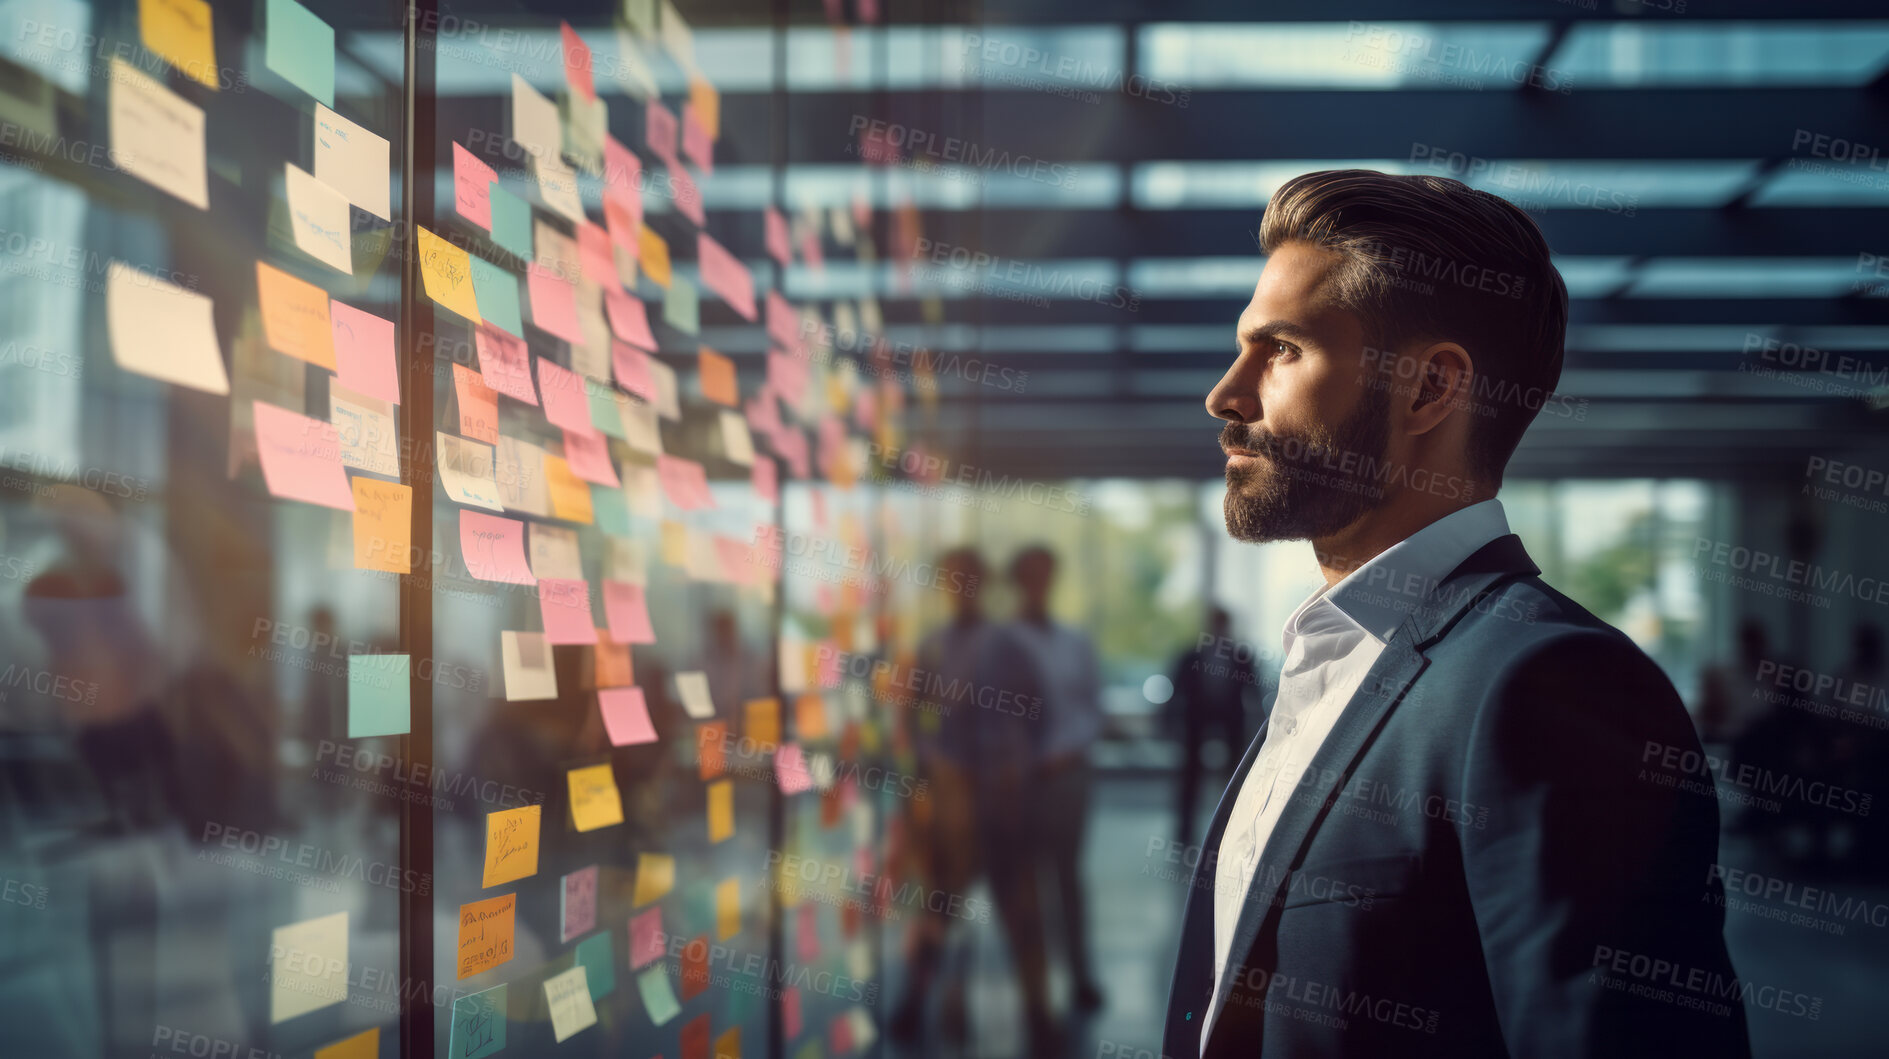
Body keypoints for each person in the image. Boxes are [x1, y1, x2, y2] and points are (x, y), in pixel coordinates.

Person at [1164, 170, 1749, 1058]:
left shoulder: (1551, 685)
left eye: (1280, 348)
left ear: (1430, 389)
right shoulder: (1335, 656)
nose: (1225, 393)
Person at [889, 548, 1056, 1053]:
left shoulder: (1007, 645)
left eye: (967, 578)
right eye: (952, 579)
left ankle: (1038, 1015)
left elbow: (1038, 716)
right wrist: (931, 781)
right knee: (937, 909)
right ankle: (914, 1004)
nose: (959, 586)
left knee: (1021, 913)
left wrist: (1015, 772)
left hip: (1003, 806)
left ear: (979, 582)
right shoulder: (932, 646)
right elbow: (907, 724)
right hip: (951, 809)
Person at [1006, 545, 1106, 1013]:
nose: (1039, 584)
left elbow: (1090, 708)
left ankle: (1081, 977)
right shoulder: (1003, 642)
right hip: (1018, 784)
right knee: (1026, 887)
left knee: (1068, 881)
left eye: (1045, 575)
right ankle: (1036, 989)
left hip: (1066, 777)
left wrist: (1064, 754)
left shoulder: (1073, 640)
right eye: (1031, 575)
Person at [1167, 607, 1255, 847]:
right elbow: (1176, 690)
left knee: (1234, 778)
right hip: (1196, 720)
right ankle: (1185, 833)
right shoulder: (1191, 655)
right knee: (1191, 779)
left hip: (1231, 721)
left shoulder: (1241, 655)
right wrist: (1171, 722)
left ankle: (1232, 830)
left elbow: (1253, 691)